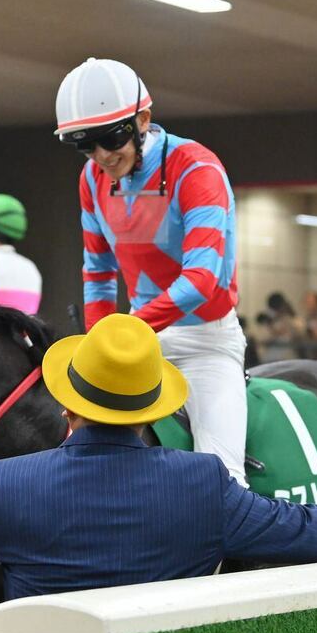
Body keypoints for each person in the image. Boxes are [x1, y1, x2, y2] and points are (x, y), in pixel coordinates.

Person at [0, 314, 317, 601]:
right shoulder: (204, 482)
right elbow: (302, 527)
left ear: (67, 408)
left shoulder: (6, 484)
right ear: (151, 413)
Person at [54, 57, 249, 485]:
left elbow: (202, 280)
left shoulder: (196, 167)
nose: (102, 156)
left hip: (205, 344)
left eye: (111, 138)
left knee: (223, 479)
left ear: (143, 119)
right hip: (140, 343)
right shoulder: (90, 179)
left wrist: (124, 331)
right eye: (85, 145)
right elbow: (98, 271)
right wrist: (98, 344)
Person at [298, 290, 317, 359]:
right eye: (306, 302)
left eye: (311, 302)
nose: (308, 305)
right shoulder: (301, 321)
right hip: (302, 359)